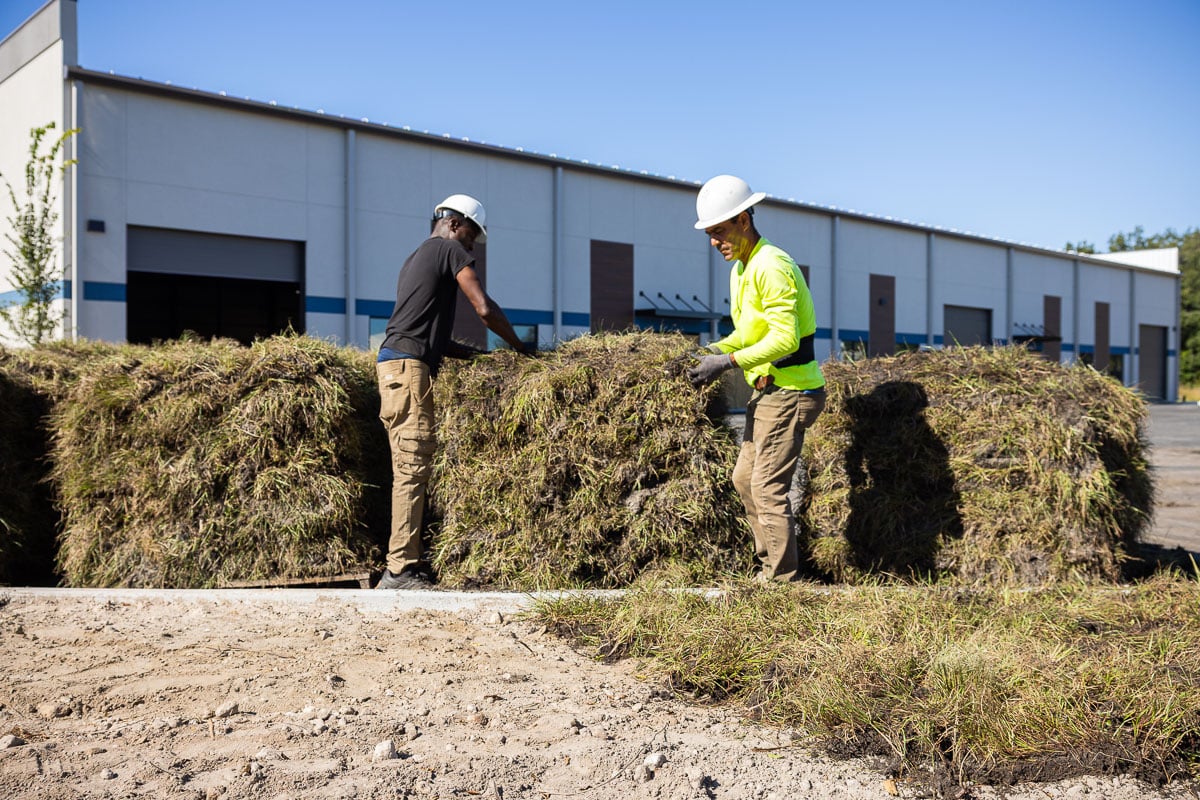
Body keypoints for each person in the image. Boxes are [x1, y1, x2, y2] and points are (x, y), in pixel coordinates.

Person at [375, 194, 529, 590]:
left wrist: (479, 358)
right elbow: (484, 308)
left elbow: (429, 335)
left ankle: (403, 561)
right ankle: (399, 571)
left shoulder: (416, 258)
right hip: (408, 372)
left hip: (398, 366)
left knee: (408, 466)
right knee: (412, 468)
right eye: (473, 236)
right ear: (455, 223)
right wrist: (520, 348)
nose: (472, 246)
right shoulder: (447, 249)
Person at [687, 175, 826, 583]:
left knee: (766, 486)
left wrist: (726, 362)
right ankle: (770, 568)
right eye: (709, 234)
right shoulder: (743, 268)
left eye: (719, 231)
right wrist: (710, 352)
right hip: (768, 391)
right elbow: (747, 334)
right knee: (744, 478)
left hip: (793, 390)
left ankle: (782, 583)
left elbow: (784, 339)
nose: (714, 242)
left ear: (744, 220)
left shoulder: (772, 265)